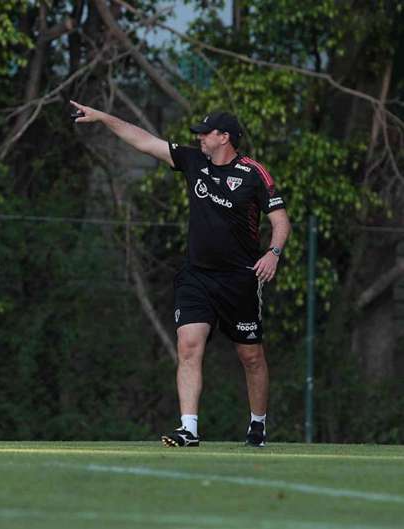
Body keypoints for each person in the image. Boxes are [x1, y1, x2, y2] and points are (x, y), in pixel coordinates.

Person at [70, 100, 291, 447]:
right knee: (188, 347)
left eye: (206, 133)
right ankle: (189, 429)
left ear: (225, 137)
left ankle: (257, 424)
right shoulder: (193, 162)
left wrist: (273, 253)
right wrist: (102, 118)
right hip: (196, 276)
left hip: (239, 279)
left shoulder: (253, 173)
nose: (200, 138)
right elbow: (144, 140)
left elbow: (280, 221)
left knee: (251, 356)